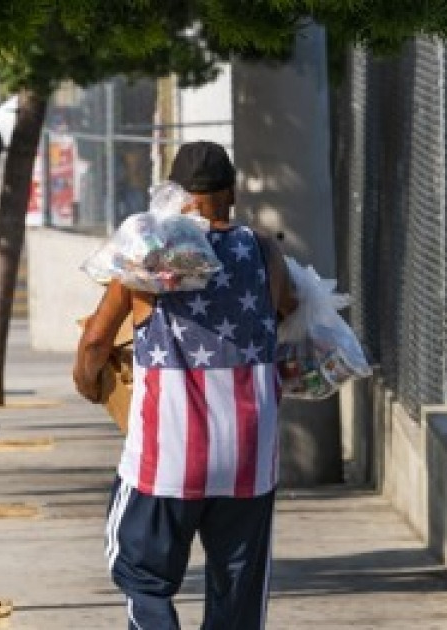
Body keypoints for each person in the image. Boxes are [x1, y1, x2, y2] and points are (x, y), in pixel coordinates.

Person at [74, 141, 298, 629]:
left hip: (167, 456)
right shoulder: (263, 251)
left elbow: (95, 340)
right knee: (238, 593)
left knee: (140, 574)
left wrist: (90, 384)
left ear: (176, 194)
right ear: (231, 194)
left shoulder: (149, 256)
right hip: (248, 455)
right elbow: (288, 309)